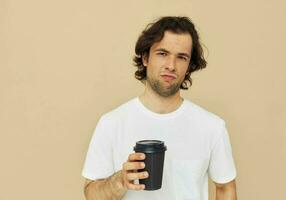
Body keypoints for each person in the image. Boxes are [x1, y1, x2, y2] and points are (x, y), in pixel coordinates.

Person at [82, 16, 237, 200]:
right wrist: (120, 181)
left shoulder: (212, 127)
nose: (171, 66)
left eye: (181, 57)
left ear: (189, 66)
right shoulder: (111, 123)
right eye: (162, 53)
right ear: (146, 57)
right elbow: (91, 194)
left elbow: (225, 187)